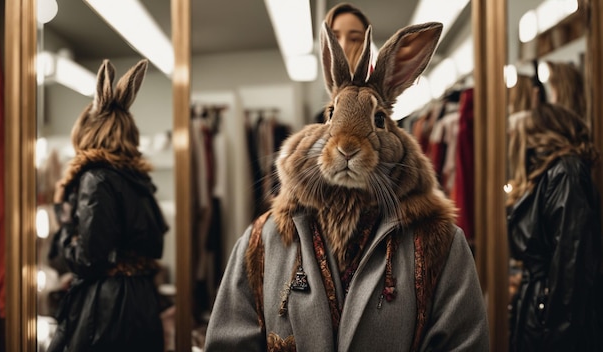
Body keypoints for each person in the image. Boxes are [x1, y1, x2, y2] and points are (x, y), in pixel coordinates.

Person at [205, 15, 489, 352]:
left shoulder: (438, 243)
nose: (347, 145)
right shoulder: (262, 241)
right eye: (332, 117)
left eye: (377, 119)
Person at [46, 59, 168, 352]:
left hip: (107, 309)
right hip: (140, 302)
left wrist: (64, 226)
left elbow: (90, 260)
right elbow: (155, 245)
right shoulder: (136, 179)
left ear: (89, 130)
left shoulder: (96, 179)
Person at [506, 102, 602, 351]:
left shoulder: (565, 173)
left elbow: (572, 264)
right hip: (537, 311)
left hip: (549, 319)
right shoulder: (547, 176)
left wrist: (558, 334)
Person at [314, 3, 372, 123]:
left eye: (354, 39)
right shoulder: (321, 119)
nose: (343, 46)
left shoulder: (382, 102)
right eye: (334, 38)